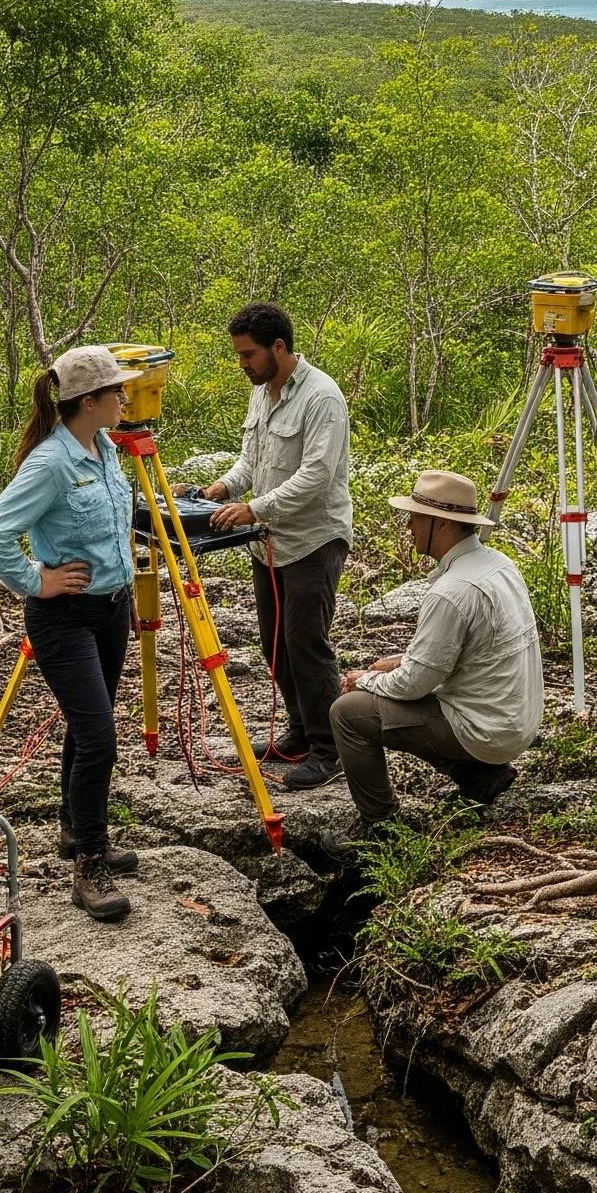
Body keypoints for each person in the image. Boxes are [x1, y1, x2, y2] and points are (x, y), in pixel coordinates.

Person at [0, 345, 139, 923]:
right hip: (63, 616)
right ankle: (89, 865)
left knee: (87, 724)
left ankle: (75, 829)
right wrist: (35, 581)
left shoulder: (106, 448)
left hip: (110, 609)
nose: (125, 398)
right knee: (99, 735)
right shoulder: (50, 464)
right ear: (87, 402)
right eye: (115, 391)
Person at [328, 469, 543, 833]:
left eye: (414, 517)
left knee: (348, 712)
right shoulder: (498, 564)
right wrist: (395, 663)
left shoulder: (452, 590)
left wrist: (365, 680)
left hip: (485, 729)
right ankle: (477, 775)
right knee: (393, 688)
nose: (409, 526)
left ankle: (379, 826)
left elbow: (414, 684)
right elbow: (467, 654)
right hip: (516, 721)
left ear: (440, 524)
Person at [201, 303, 354, 791]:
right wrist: (223, 489)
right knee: (275, 645)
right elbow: (251, 460)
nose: (241, 364)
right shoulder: (261, 395)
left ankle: (331, 748)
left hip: (314, 539)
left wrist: (255, 509)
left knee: (306, 645)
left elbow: (316, 475)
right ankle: (299, 731)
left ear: (278, 347)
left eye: (248, 355)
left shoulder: (322, 397)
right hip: (269, 544)